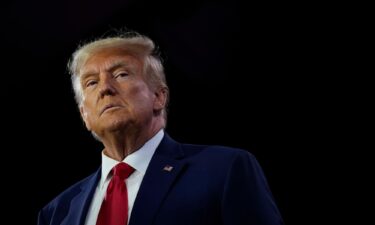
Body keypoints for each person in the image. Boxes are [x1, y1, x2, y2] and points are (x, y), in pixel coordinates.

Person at [38, 31, 284, 225]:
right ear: (85, 116)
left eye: (121, 74)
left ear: (159, 96)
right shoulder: (57, 212)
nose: (105, 88)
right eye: (91, 82)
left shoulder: (225, 170)